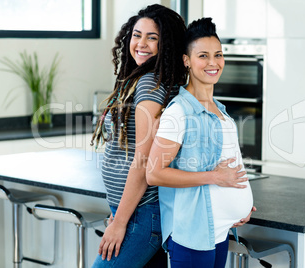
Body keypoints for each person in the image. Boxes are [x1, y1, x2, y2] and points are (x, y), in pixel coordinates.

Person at [146, 17, 256, 268]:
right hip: (193, 235)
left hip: (219, 231)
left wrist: (242, 203)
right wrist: (215, 178)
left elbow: (226, 166)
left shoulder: (219, 110)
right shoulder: (180, 111)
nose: (213, 63)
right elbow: (154, 174)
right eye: (203, 56)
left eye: (218, 55)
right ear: (187, 61)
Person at [90, 4, 187, 268]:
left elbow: (143, 161)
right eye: (136, 34)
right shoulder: (141, 79)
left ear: (166, 45)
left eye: (152, 37)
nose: (141, 43)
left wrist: (120, 222)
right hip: (133, 211)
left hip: (141, 214)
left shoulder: (150, 83)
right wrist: (119, 213)